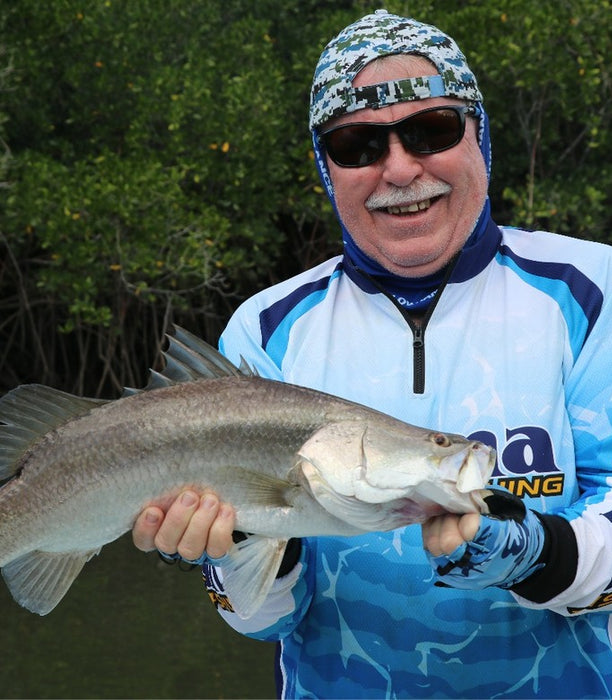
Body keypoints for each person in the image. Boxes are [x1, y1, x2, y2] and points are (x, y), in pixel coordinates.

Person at [133, 10, 612, 698]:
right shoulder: (264, 332)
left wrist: (538, 553)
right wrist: (234, 548)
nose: (399, 167)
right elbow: (261, 621)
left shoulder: (595, 294)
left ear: (481, 134)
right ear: (326, 169)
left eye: (432, 130)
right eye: (356, 144)